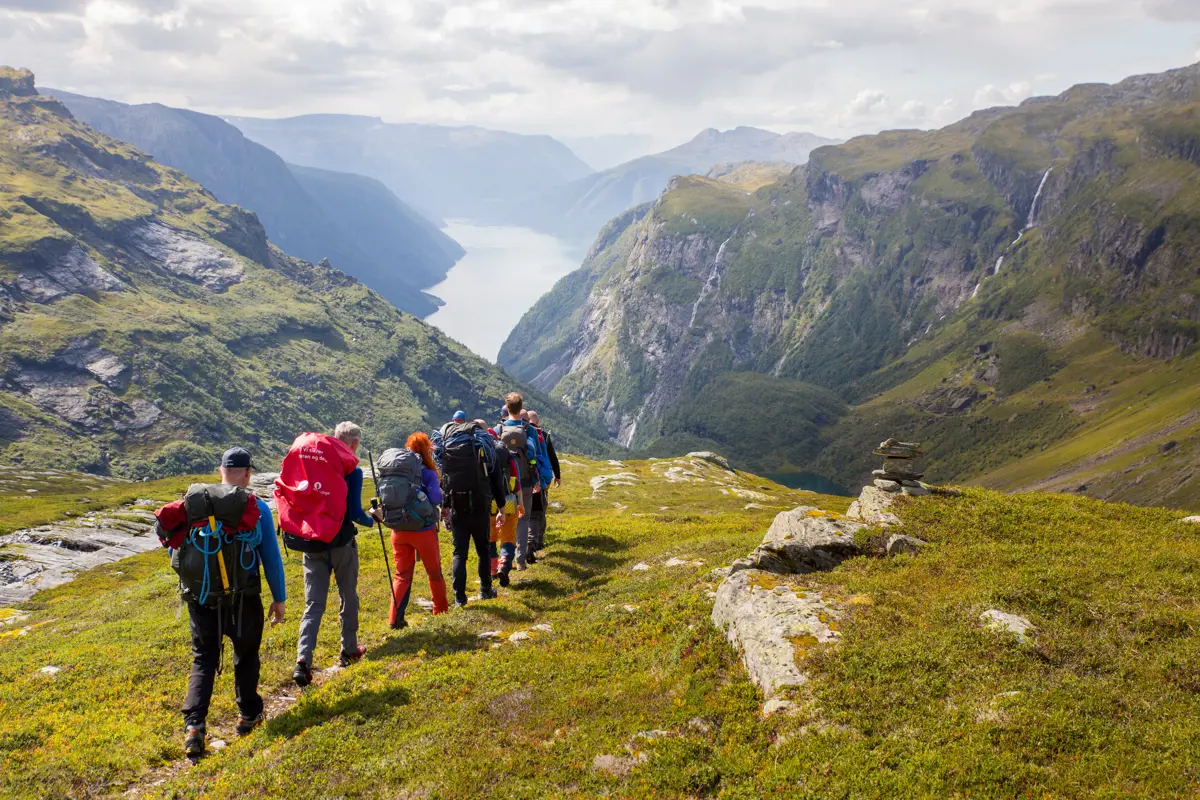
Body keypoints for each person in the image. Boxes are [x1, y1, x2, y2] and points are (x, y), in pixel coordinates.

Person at [172, 447, 286, 758]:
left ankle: (194, 726)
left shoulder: (195, 504)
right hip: (244, 597)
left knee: (203, 658)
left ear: (220, 470)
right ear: (248, 473)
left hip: (201, 597)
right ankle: (248, 715)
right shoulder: (256, 507)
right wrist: (279, 598)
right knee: (246, 655)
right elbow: (271, 560)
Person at [291, 422, 374, 687]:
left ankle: (303, 661)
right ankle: (349, 649)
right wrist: (374, 520)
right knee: (348, 594)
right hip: (341, 543)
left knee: (313, 604)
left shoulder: (313, 461)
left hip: (312, 542)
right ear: (354, 443)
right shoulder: (352, 469)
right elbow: (353, 513)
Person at [371, 432, 448, 629]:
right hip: (424, 530)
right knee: (434, 572)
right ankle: (440, 611)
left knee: (401, 575)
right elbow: (436, 500)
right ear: (427, 449)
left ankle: (394, 618)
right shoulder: (428, 473)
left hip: (398, 530)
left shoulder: (395, 473)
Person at [434, 416, 508, 607]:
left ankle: (459, 598)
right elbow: (496, 480)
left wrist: (445, 507)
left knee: (459, 552)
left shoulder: (450, 446)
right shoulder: (485, 447)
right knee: (483, 549)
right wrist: (501, 507)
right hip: (480, 503)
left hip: (458, 505)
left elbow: (444, 480)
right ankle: (485, 590)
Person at [495, 395, 542, 569]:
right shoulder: (529, 429)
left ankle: (503, 557)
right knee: (523, 518)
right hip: (525, 481)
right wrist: (537, 479)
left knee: (504, 517)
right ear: (521, 407)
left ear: (507, 408)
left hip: (504, 482)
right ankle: (520, 560)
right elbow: (534, 457)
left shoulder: (499, 429)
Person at [484, 423, 523, 587]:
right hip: (507, 503)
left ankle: (492, 571)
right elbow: (516, 479)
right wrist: (520, 503)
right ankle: (504, 564)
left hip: (485, 504)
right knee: (508, 537)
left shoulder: (476, 454)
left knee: (490, 538)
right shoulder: (503, 451)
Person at [526, 410, 561, 554]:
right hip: (538, 481)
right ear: (537, 422)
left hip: (518, 482)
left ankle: (521, 544)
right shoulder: (542, 435)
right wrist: (556, 476)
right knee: (539, 510)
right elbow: (551, 457)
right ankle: (537, 541)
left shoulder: (518, 433)